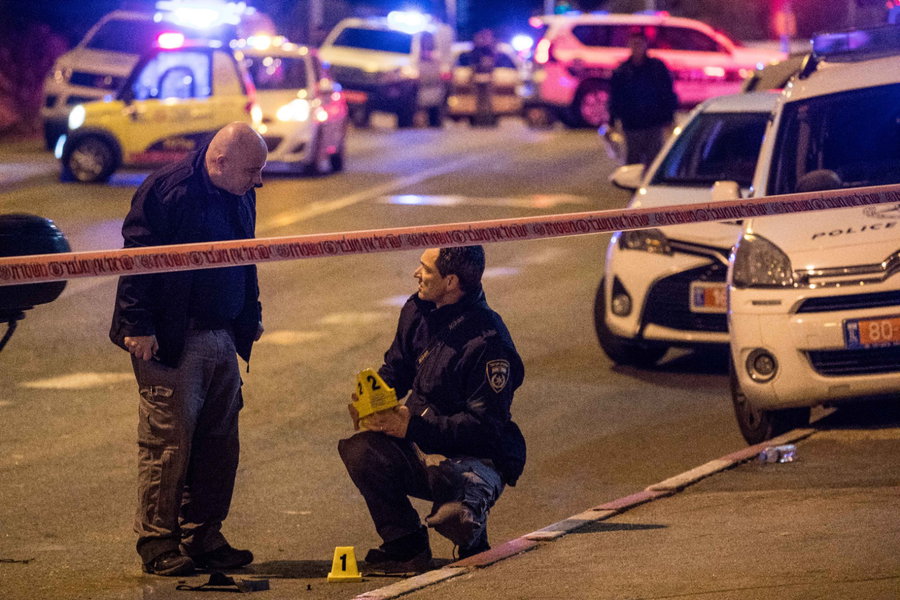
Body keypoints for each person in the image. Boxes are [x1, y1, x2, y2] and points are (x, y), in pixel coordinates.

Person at [109, 122, 267, 577]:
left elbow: (246, 257)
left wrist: (249, 314)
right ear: (220, 162)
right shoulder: (168, 190)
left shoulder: (239, 192)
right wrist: (137, 325)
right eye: (252, 171)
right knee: (167, 445)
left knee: (219, 444)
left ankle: (204, 535)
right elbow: (137, 257)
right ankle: (157, 541)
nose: (259, 181)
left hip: (222, 334)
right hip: (174, 339)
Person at [338, 246, 526, 574]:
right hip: (422, 444)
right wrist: (371, 400)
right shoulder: (418, 309)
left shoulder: (488, 342)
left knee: (454, 518)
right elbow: (397, 368)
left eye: (426, 269)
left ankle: (471, 525)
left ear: (451, 281)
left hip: (473, 456)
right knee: (361, 451)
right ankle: (406, 546)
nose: (416, 274)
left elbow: (484, 429)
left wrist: (411, 426)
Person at [608, 31, 678, 167]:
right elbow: (615, 97)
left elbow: (667, 92)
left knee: (654, 161)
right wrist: (612, 120)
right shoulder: (622, 71)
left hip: (653, 122)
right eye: (634, 44)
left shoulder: (657, 68)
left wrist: (669, 117)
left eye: (639, 44)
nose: (637, 47)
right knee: (633, 162)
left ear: (646, 45)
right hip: (632, 124)